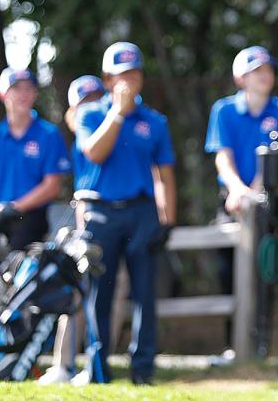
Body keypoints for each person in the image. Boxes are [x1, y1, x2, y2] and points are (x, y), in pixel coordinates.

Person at [75, 42, 176, 385]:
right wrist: (117, 113)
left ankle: (143, 369)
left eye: (134, 74)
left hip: (142, 213)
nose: (128, 81)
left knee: (144, 294)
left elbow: (164, 173)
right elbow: (95, 153)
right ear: (106, 79)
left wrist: (168, 219)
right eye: (121, 75)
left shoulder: (155, 122)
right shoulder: (89, 115)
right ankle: (98, 369)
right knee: (98, 294)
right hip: (101, 214)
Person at [204, 45, 278, 356]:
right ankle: (232, 346)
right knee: (227, 272)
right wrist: (237, 190)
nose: (265, 76)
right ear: (240, 77)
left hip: (268, 202)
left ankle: (261, 347)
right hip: (230, 200)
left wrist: (252, 192)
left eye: (268, 70)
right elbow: (222, 158)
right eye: (257, 70)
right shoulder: (224, 110)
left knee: (266, 271)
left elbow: (272, 160)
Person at [38, 74, 108, 386]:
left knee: (109, 293)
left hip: (113, 219)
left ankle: (95, 364)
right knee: (75, 293)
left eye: (95, 100)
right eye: (83, 103)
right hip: (86, 218)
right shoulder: (85, 134)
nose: (90, 107)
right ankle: (62, 365)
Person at [0, 68, 70, 250]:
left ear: (35, 93)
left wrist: (13, 208)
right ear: (2, 94)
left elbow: (52, 186)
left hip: (31, 218)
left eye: (28, 88)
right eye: (16, 88)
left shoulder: (49, 134)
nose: (23, 94)